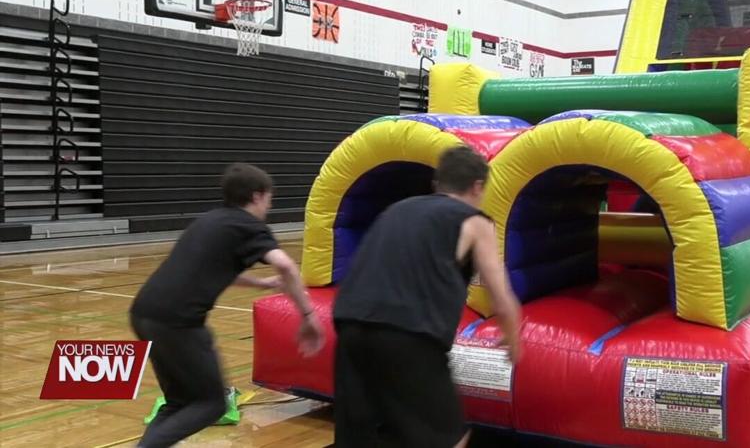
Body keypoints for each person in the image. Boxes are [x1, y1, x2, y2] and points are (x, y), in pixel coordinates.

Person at [332, 145, 523, 448]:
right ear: (477, 186)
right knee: (449, 438)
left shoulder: (397, 209)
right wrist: (513, 339)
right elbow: (501, 295)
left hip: (350, 325)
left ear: (437, 184)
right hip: (408, 333)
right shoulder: (474, 220)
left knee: (363, 437)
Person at [129, 163, 324, 448]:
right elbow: (287, 266)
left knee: (179, 404)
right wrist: (308, 316)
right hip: (178, 322)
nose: (268, 207)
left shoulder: (211, 221)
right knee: (212, 405)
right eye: (270, 199)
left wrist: (262, 284)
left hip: (144, 313)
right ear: (258, 196)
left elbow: (216, 270)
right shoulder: (249, 225)